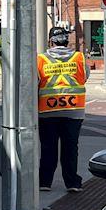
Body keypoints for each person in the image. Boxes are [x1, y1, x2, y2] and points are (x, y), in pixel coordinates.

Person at [37, 26, 87, 193]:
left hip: (47, 111)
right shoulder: (79, 58)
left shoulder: (41, 59)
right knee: (70, 147)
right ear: (67, 41)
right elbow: (84, 77)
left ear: (50, 42)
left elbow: (35, 82)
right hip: (74, 110)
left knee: (48, 147)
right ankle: (72, 183)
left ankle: (44, 182)